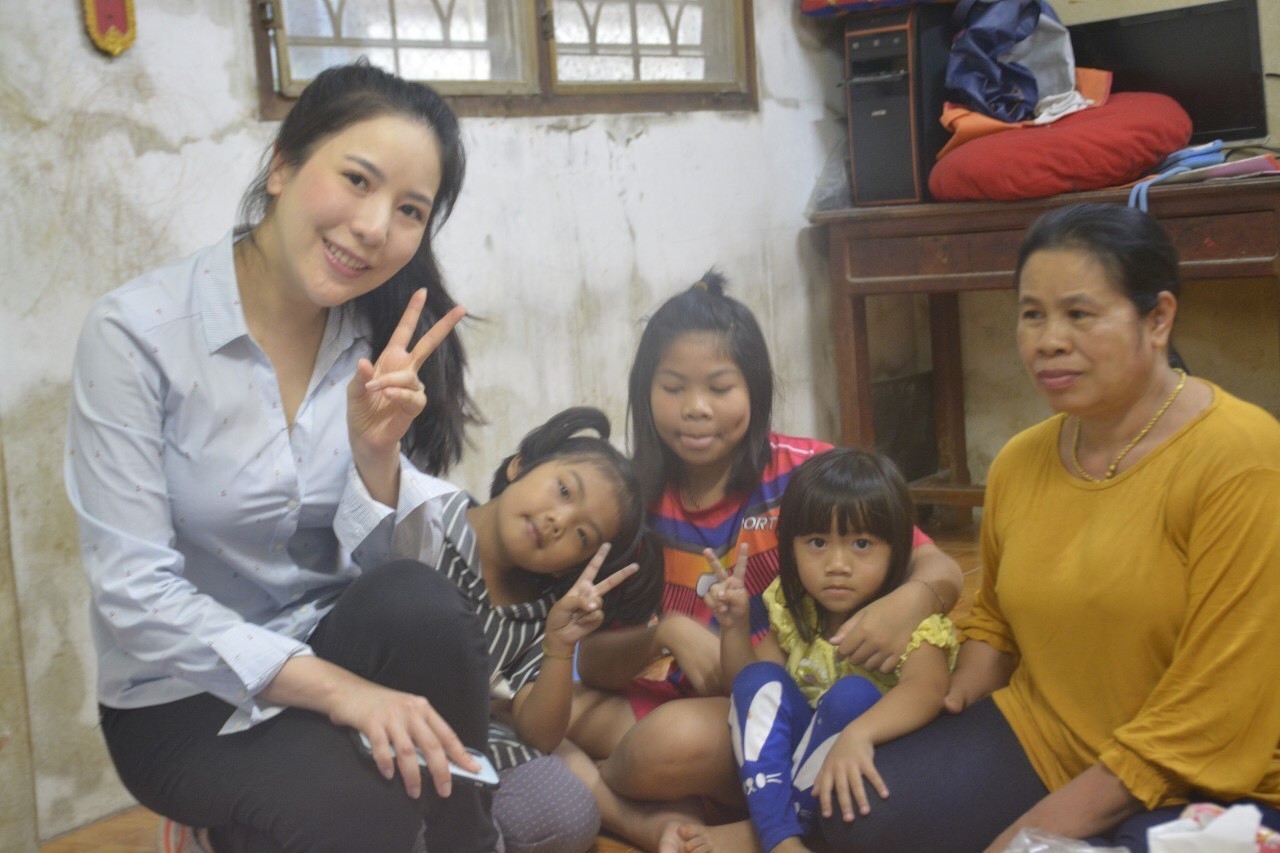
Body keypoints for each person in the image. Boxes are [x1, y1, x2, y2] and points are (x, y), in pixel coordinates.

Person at [66, 60, 498, 851]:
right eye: (357, 180)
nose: (375, 227)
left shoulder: (381, 340)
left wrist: (376, 458)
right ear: (283, 166)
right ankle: (226, 827)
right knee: (361, 809)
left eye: (409, 209)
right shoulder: (136, 336)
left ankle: (468, 838)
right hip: (180, 696)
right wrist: (344, 694)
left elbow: (392, 585)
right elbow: (134, 592)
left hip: (331, 637)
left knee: (423, 606)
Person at [817, 202, 1280, 853]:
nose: (1048, 340)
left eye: (1079, 314)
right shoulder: (1020, 460)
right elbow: (996, 624)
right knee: (854, 815)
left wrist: (1029, 834)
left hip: (1205, 772)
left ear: (1157, 318)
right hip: (1046, 737)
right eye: (1032, 314)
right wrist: (940, 708)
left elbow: (1214, 709)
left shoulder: (1242, 458)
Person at [566, 273, 965, 851]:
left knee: (667, 744)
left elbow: (941, 570)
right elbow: (595, 662)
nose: (696, 409)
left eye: (720, 387)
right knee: (546, 711)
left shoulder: (806, 474)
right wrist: (666, 633)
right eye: (673, 387)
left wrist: (907, 604)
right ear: (644, 391)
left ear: (754, 388)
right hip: (673, 695)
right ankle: (687, 800)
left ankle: (642, 798)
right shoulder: (631, 501)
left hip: (791, 703)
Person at [686, 447, 957, 852]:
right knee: (759, 678)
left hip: (880, 760)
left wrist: (860, 733)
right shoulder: (796, 607)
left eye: (861, 544)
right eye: (817, 542)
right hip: (805, 761)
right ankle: (783, 837)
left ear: (897, 549)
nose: (837, 564)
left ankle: (770, 833)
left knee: (853, 696)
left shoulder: (909, 619)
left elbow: (927, 692)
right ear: (789, 547)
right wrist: (734, 627)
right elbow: (749, 694)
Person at [429, 406, 661, 853]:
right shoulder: (428, 519)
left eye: (582, 536)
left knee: (571, 813)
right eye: (564, 490)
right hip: (372, 716)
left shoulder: (540, 614)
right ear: (520, 464)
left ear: (571, 567)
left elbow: (540, 734)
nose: (560, 521)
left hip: (467, 746)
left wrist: (559, 646)